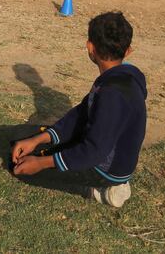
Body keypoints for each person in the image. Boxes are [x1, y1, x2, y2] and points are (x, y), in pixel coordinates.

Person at [10, 12, 146, 208]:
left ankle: (102, 190)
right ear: (128, 51)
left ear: (90, 47)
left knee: (19, 167)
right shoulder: (122, 78)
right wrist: (38, 139)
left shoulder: (111, 94)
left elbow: (93, 151)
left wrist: (41, 163)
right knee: (18, 138)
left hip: (107, 169)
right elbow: (82, 114)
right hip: (103, 151)